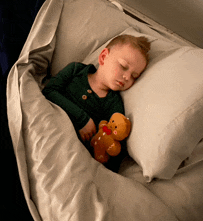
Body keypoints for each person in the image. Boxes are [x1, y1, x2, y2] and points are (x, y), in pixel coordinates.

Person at [42, 34, 150, 169]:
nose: (127, 77)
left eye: (134, 76)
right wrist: (82, 119)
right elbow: (48, 92)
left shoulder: (113, 104)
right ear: (104, 56)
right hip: (46, 124)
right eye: (123, 66)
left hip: (67, 150)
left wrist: (100, 147)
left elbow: (115, 149)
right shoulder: (76, 70)